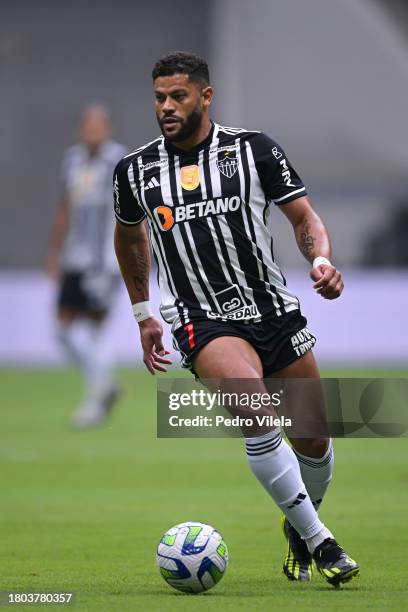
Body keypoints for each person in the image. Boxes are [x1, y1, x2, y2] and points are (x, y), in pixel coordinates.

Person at [113, 52, 359, 587]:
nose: (167, 107)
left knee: (313, 438)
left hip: (272, 309)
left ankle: (298, 526)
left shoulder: (254, 150)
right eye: (159, 98)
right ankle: (321, 541)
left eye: (178, 96)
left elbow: (304, 217)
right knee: (255, 411)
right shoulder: (134, 171)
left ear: (205, 96)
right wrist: (143, 313)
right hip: (201, 318)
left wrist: (319, 258)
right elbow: (130, 236)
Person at [47, 104, 127, 427]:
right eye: (88, 125)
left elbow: (134, 210)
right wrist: (54, 250)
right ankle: (105, 385)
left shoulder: (117, 160)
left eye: (99, 125)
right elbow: (65, 207)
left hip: (105, 260)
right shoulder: (73, 160)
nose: (93, 131)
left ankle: (95, 402)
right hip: (75, 257)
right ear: (81, 128)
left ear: (107, 128)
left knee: (91, 330)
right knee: (65, 331)